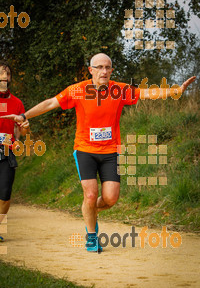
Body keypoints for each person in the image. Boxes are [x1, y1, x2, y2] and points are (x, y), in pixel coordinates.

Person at [0, 53, 196, 251]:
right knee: (91, 194)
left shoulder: (119, 90)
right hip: (85, 149)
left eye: (107, 67)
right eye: (99, 67)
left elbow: (146, 93)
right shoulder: (78, 90)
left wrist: (175, 91)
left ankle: (90, 212)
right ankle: (91, 236)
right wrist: (24, 115)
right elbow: (51, 103)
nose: (104, 71)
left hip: (111, 151)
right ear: (91, 70)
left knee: (111, 198)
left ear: (111, 70)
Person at [0, 60, 30, 242]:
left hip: (6, 151)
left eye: (7, 73)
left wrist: (24, 128)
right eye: (1, 73)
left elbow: (22, 131)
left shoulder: (17, 103)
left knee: (4, 194)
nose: (5, 76)